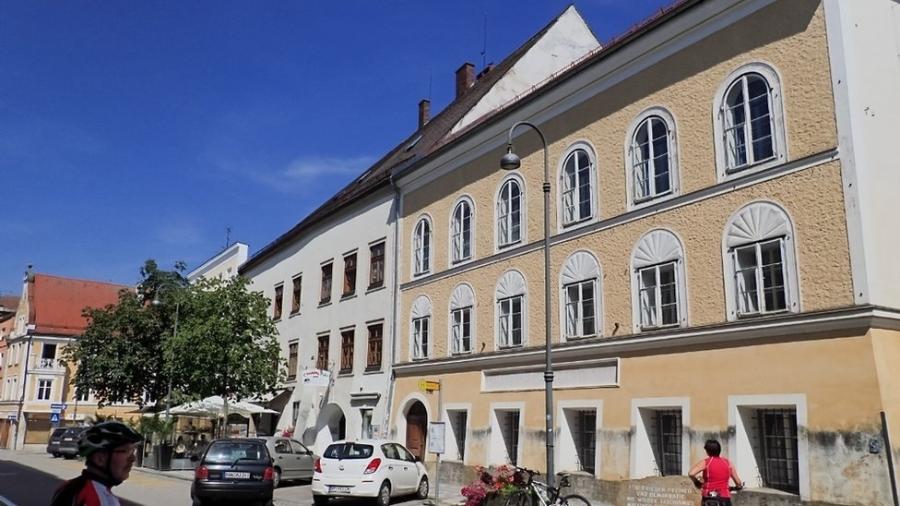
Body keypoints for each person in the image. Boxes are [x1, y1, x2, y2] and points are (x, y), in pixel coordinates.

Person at [50, 421, 143, 506]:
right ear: (99, 459)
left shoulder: (67, 487)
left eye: (132, 451)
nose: (133, 459)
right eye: (125, 451)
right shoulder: (99, 499)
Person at [688, 439, 744, 506]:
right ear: (719, 450)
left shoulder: (706, 462)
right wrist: (736, 487)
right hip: (725, 498)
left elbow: (691, 473)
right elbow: (738, 483)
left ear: (708, 452)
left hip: (709, 498)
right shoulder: (728, 463)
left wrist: (697, 482)